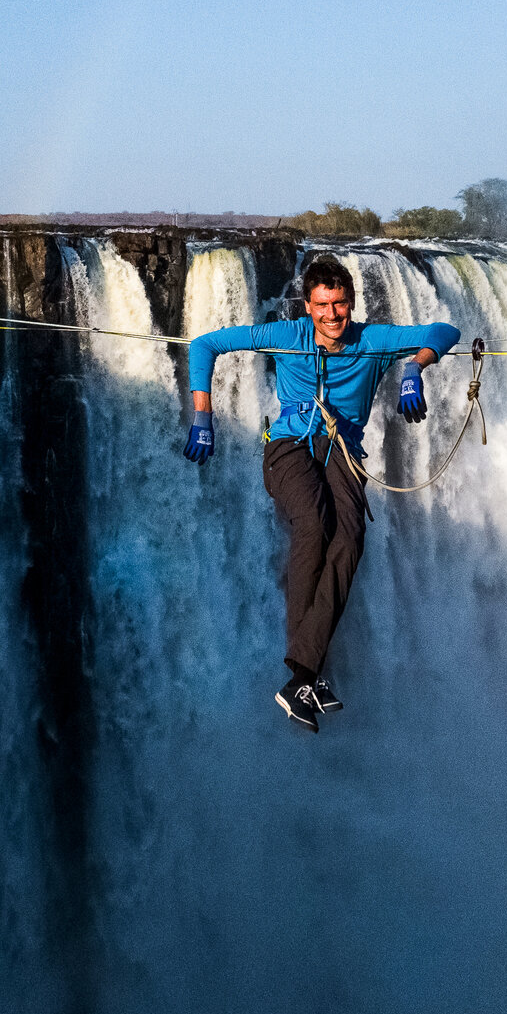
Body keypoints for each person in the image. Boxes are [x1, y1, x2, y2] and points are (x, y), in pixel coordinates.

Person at [182, 255, 461, 731]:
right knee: (314, 524)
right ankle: (305, 674)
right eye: (322, 305)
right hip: (288, 446)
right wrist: (203, 416)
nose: (332, 315)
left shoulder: (372, 340)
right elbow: (205, 345)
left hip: (343, 450)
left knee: (350, 539)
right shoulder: (285, 335)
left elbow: (444, 330)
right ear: (307, 306)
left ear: (351, 303)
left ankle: (303, 677)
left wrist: (415, 368)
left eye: (340, 304)